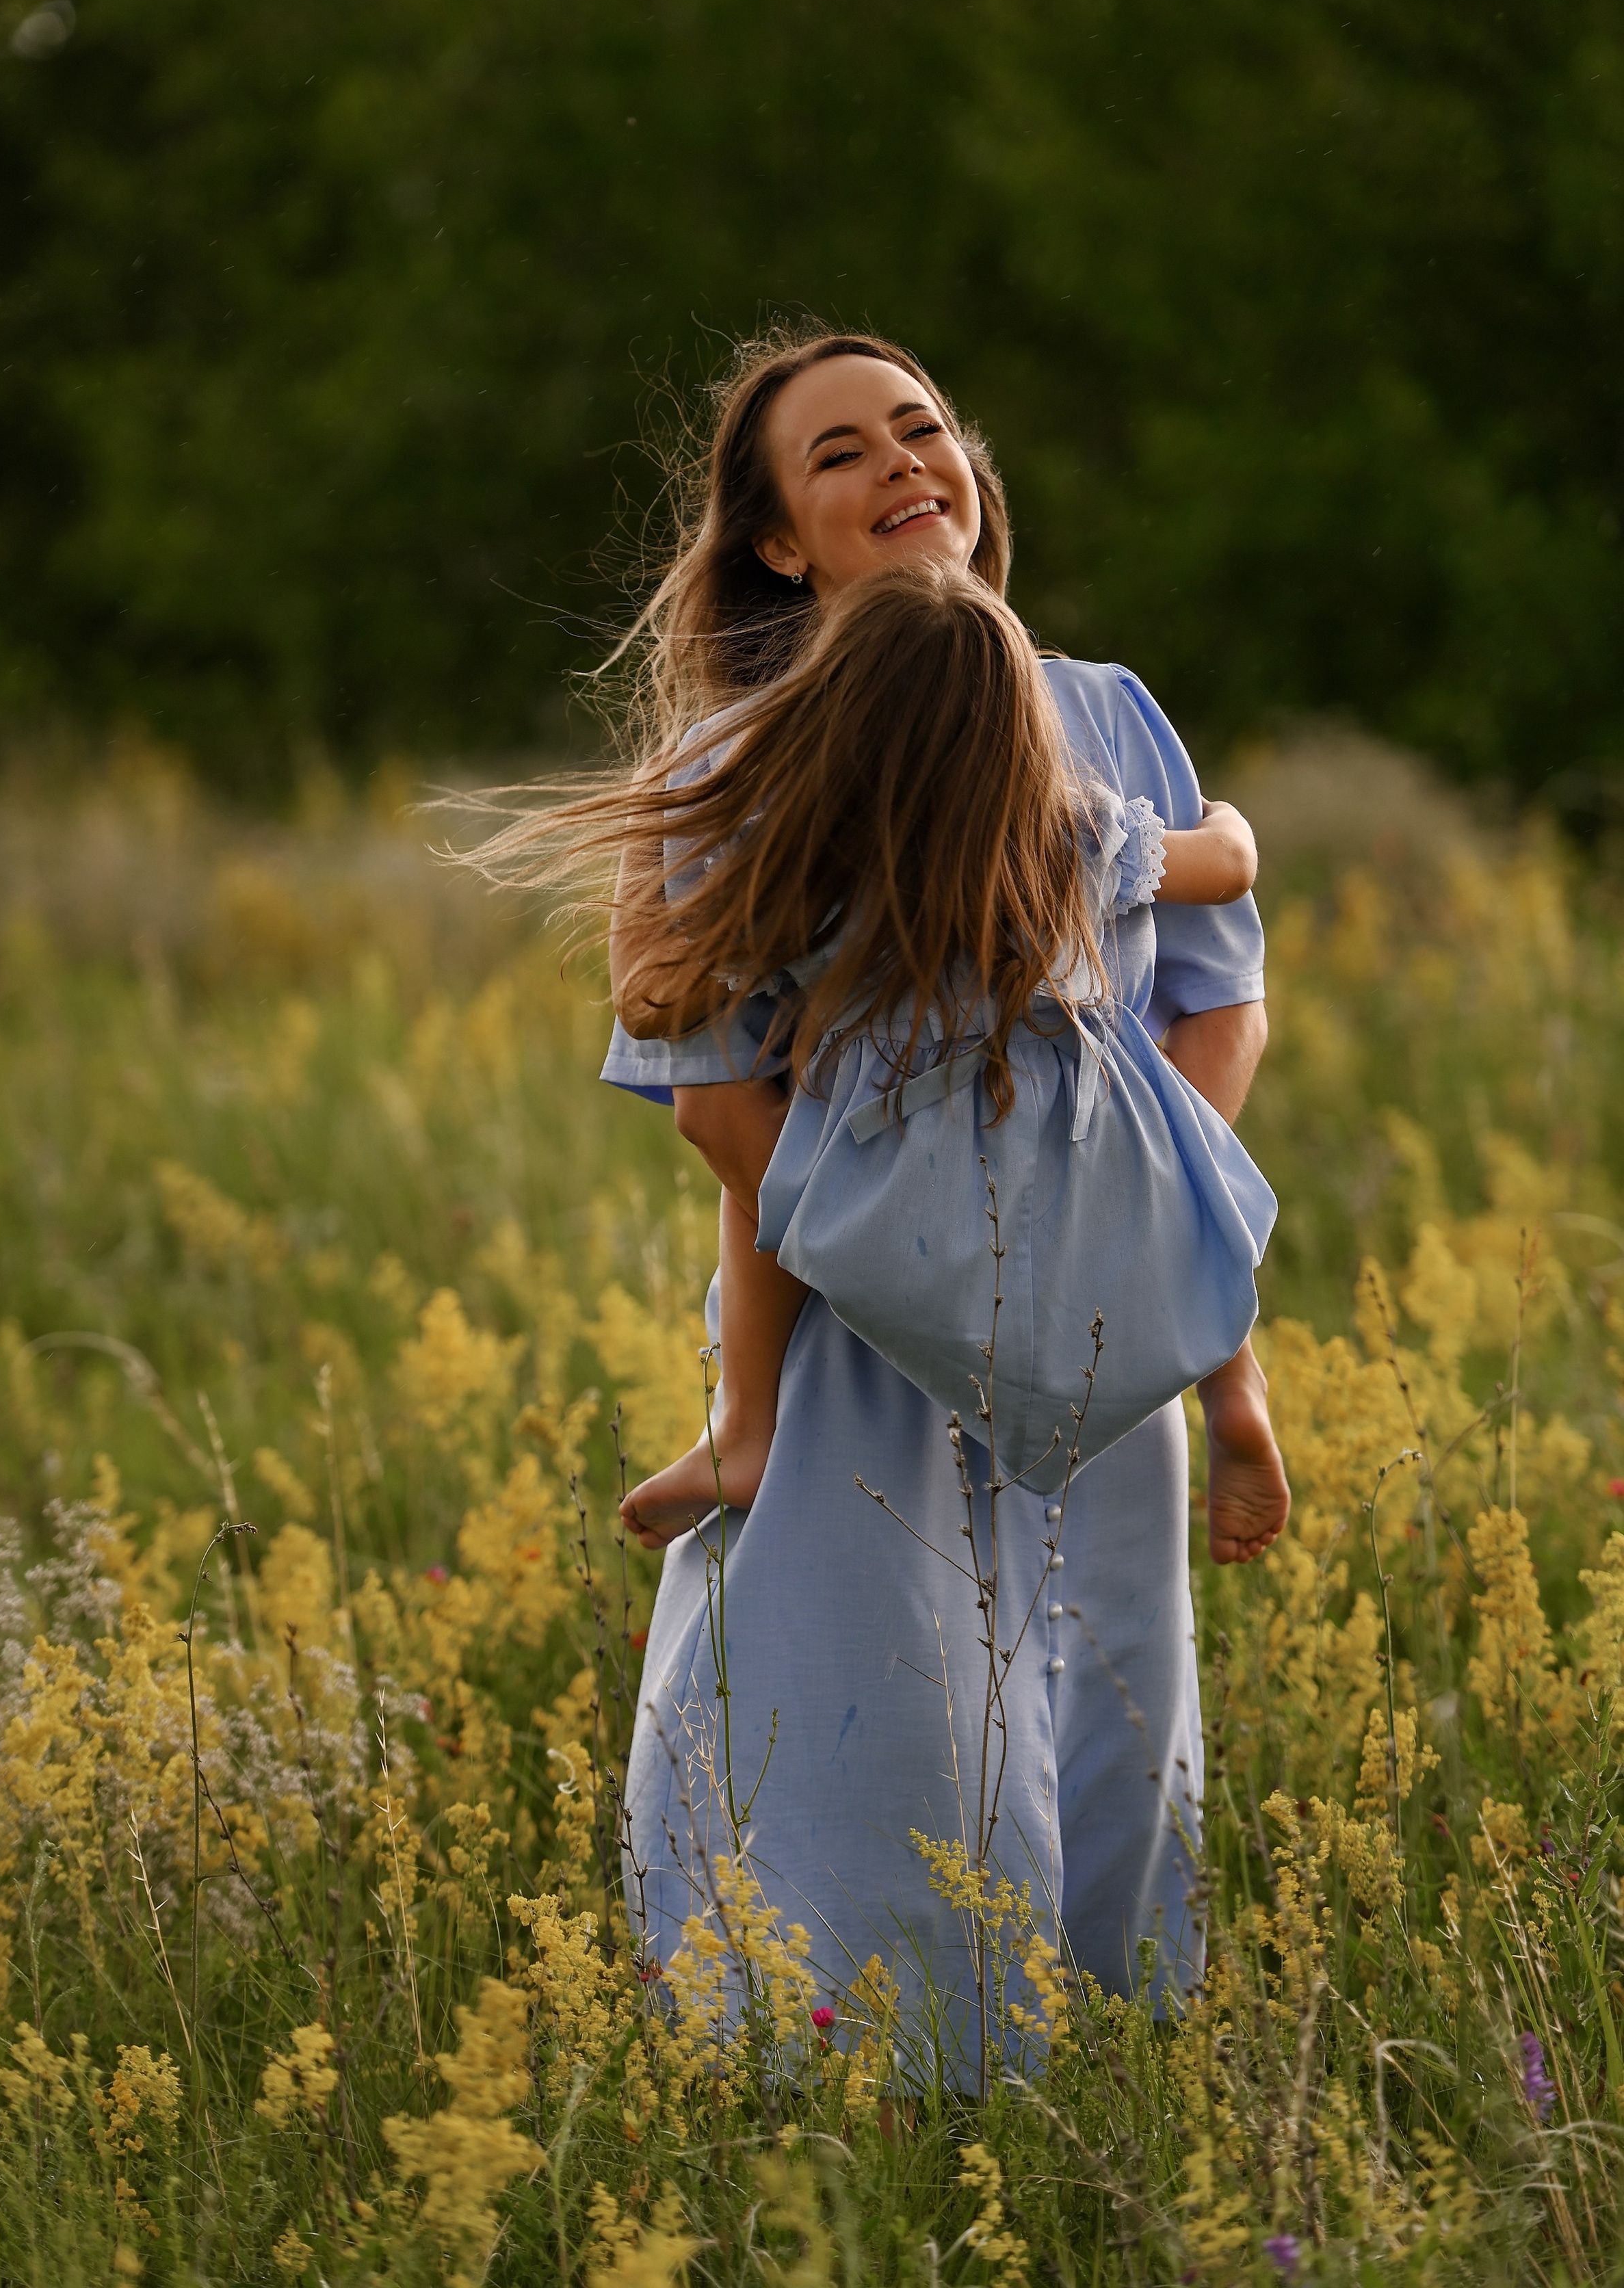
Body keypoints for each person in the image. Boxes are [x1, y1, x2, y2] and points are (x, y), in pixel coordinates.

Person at [469, 326, 1288, 2056]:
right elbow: (710, 1090)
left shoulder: (1101, 711)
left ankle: (1079, 2083)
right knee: (866, 1709)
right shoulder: (730, 758)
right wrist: (935, 1259)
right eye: (836, 451)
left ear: (973, 475)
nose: (900, 459)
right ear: (775, 538)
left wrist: (1095, 1222)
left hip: (1080, 1309)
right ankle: (846, 2072)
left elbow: (1210, 1002)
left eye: (919, 427)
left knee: (1069, 1705)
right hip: (878, 1318)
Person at [605, 557, 1281, 1555]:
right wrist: (1231, 824)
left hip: (899, 1152)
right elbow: (1226, 869)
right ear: (1021, 723)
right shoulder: (1075, 832)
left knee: (763, 1192)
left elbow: (659, 1005)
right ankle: (1235, 1390)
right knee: (1177, 1203)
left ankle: (744, 1424)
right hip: (1084, 1127)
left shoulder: (822, 864)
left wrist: (661, 848)